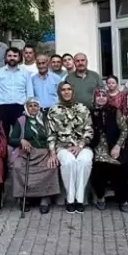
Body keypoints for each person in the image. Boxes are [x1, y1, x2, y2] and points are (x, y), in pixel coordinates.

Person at [9, 97, 60, 214]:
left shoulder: (46, 120)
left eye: (35, 105)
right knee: (17, 167)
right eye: (30, 106)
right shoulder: (21, 121)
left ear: (39, 107)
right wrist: (21, 141)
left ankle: (45, 199)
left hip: (43, 152)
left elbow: (52, 136)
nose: (33, 108)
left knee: (50, 167)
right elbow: (11, 139)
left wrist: (52, 153)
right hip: (26, 153)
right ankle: (24, 198)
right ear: (26, 108)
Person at [49, 82, 93, 213]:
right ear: (59, 92)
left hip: (82, 146)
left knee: (84, 162)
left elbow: (89, 131)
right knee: (69, 162)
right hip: (62, 147)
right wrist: (52, 153)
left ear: (73, 92)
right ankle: (70, 199)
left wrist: (80, 146)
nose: (66, 92)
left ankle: (79, 199)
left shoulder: (83, 109)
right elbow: (51, 134)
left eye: (69, 89)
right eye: (63, 90)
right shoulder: (53, 110)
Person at [89, 88, 128, 211]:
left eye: (104, 95)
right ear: (95, 98)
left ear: (108, 97)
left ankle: (123, 199)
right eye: (98, 95)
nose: (101, 97)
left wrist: (118, 146)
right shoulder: (90, 112)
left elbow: (124, 130)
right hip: (98, 147)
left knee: (122, 169)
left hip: (114, 146)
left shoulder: (114, 111)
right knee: (99, 167)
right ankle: (100, 196)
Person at [0, 48, 34, 137]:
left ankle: (18, 151)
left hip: (20, 108)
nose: (12, 58)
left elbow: (30, 93)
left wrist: (28, 110)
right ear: (5, 57)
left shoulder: (25, 73)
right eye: (10, 56)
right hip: (3, 107)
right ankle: (3, 151)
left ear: (19, 58)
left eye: (15, 56)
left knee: (20, 136)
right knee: (2, 135)